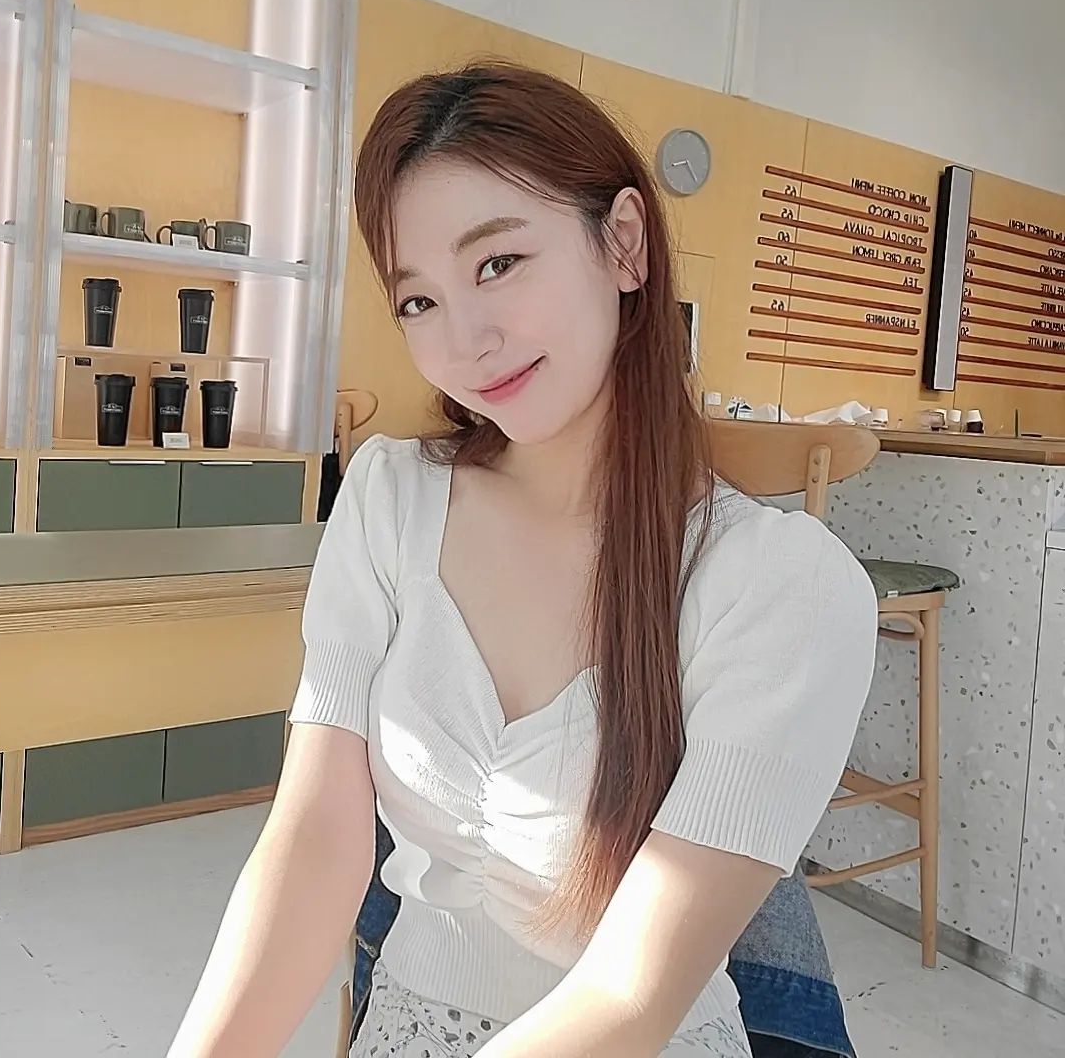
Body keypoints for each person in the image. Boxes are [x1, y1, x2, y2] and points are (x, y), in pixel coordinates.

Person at [168, 62, 878, 1058]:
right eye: (419, 302)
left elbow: (633, 992)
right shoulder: (389, 499)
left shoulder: (783, 589)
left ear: (623, 243)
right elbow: (316, 838)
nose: (468, 340)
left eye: (498, 263)